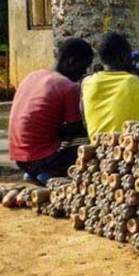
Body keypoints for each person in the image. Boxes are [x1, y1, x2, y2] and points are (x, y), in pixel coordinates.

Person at [9, 37, 94, 184]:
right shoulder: (68, 87)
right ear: (72, 62)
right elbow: (75, 129)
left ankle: (35, 173)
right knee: (88, 144)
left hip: (19, 157)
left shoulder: (32, 76)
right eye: (83, 67)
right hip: (42, 158)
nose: (83, 73)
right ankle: (49, 174)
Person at [81, 32, 139, 140]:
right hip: (129, 152)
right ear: (123, 55)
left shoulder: (87, 84)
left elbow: (85, 122)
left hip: (96, 151)